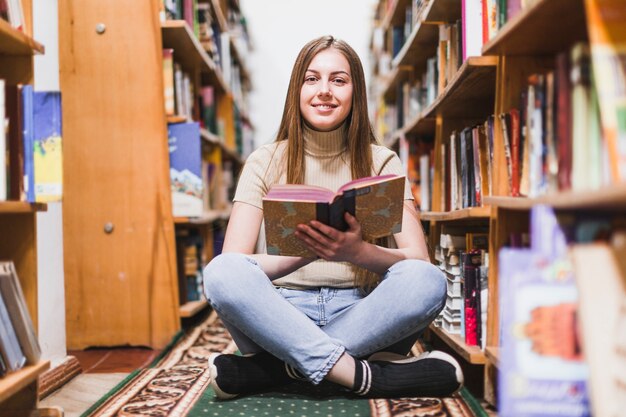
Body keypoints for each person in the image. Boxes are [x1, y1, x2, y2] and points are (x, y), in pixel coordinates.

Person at [203, 35, 463, 400]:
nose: (324, 90)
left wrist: (355, 253)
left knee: (428, 280)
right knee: (220, 273)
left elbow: (416, 260)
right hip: (280, 314)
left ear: (355, 92)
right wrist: (310, 250)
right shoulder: (265, 160)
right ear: (297, 89)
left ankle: (280, 368)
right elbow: (236, 261)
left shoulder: (382, 161)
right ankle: (364, 376)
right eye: (312, 79)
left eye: (338, 80)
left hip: (363, 311)